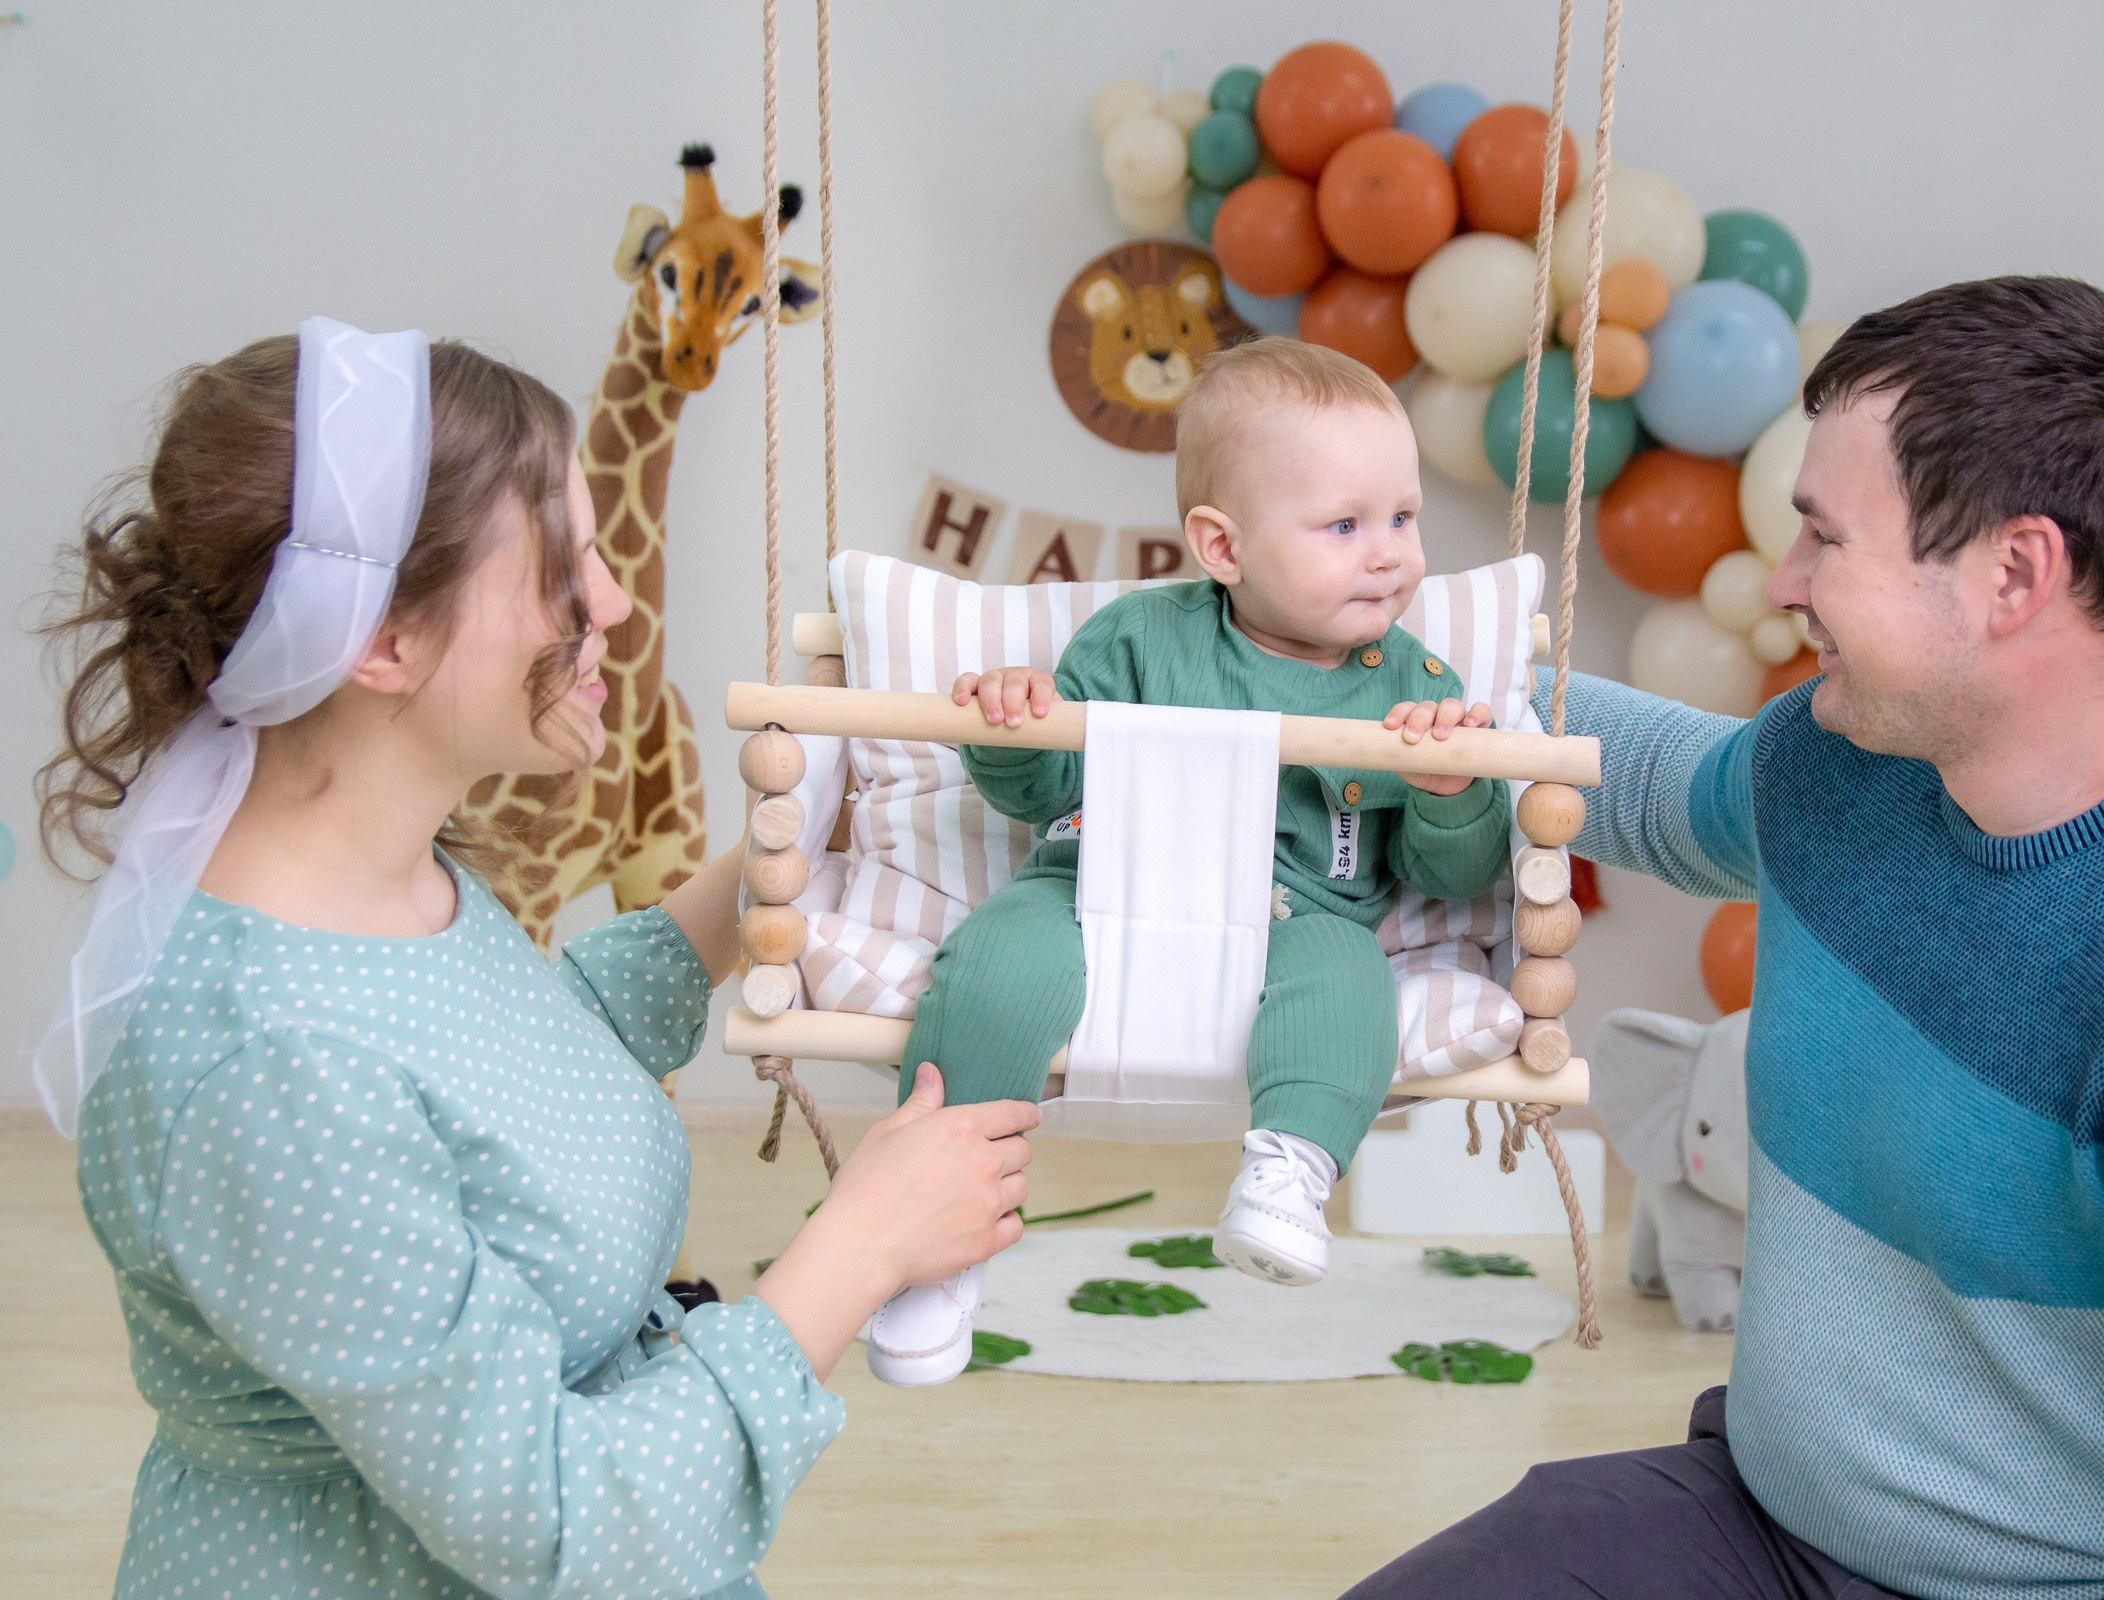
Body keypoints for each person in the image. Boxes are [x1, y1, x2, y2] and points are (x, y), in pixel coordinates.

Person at [1346, 277, 2104, 1598]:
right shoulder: (1857, 761)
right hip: (1760, 1520)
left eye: (1824, 539)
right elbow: (1668, 789)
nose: (1785, 581)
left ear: (2014, 572)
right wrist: (1387, 676)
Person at [38, 321, 1039, 1600]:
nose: (615, 602)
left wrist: (765, 874)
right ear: (384, 637)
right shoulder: (274, 1069)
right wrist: (860, 1247)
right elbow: (563, 1525)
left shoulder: (384, 886)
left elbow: (513, 1069)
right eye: (563, 564)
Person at [865, 338, 1511, 1385]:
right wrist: (1014, 725)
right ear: (1222, 545)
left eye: (1403, 515)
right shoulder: (1134, 641)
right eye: (1346, 525)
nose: (1390, 551)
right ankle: (927, 1229)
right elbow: (1039, 796)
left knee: (1353, 987)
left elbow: (1453, 875)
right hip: (1097, 883)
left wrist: (1452, 785)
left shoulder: (1412, 682)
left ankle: (1289, 1169)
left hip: (1296, 920)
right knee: (994, 969)